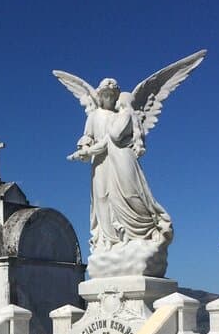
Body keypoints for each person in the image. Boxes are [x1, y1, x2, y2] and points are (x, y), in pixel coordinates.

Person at [69, 78, 172, 252]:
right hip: (100, 163)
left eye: (112, 96)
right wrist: (85, 148)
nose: (108, 99)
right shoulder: (94, 116)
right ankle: (108, 242)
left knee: (126, 194)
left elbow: (117, 137)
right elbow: (87, 136)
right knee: (102, 198)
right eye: (105, 95)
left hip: (118, 159)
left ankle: (134, 234)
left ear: (117, 98)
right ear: (100, 96)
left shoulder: (122, 114)